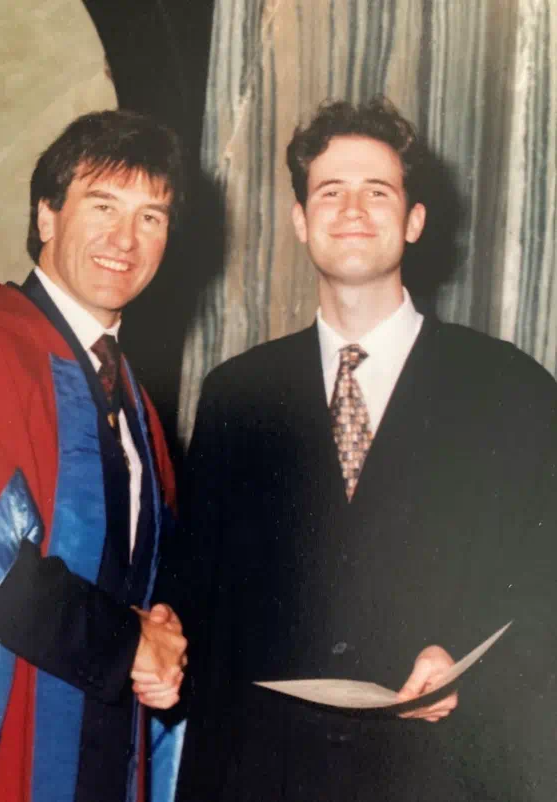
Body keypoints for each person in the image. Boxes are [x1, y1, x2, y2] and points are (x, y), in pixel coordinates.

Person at [173, 97, 557, 801]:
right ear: (300, 221)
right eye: (330, 192)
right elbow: (198, 598)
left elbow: (545, 586)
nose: (352, 209)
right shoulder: (237, 395)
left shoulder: (512, 388)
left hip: (443, 777)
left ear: (414, 221)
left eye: (377, 191)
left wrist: (473, 670)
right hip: (266, 778)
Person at [0, 110, 189, 802]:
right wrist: (127, 646)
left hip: (110, 743)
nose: (126, 238)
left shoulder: (135, 399)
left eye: (152, 216)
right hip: (6, 740)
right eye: (103, 205)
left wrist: (165, 622)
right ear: (48, 215)